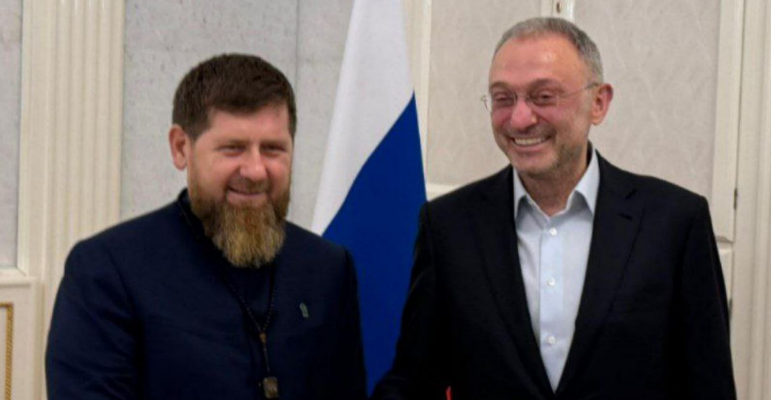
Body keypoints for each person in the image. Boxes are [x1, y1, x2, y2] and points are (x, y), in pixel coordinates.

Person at [371, 17, 735, 400]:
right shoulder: (448, 226)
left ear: (598, 103)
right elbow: (414, 380)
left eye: (543, 96)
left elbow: (709, 385)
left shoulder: (675, 224)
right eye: (503, 98)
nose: (520, 119)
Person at [46, 54, 366, 400]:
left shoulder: (328, 268)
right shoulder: (107, 270)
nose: (255, 170)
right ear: (180, 148)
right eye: (233, 148)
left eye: (273, 149)